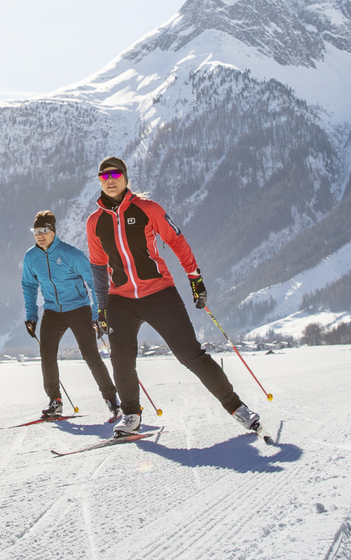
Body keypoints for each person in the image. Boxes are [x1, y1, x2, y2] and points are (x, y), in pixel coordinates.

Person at [85, 157, 262, 438]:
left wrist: (195, 278)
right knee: (121, 359)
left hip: (159, 293)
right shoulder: (94, 222)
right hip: (121, 299)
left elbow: (177, 240)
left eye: (116, 173)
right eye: (104, 175)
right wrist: (102, 309)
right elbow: (97, 267)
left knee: (190, 355)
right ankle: (131, 415)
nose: (110, 179)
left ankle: (237, 407)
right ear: (99, 180)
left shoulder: (148, 209)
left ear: (126, 178)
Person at [21, 210, 122, 421]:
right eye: (36, 231)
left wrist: (97, 314)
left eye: (44, 230)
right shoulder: (31, 257)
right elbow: (29, 286)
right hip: (52, 311)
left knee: (90, 355)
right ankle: (55, 401)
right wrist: (32, 316)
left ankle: (112, 400)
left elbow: (95, 283)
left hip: (79, 309)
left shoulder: (71, 254)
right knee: (46, 353)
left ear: (53, 231)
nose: (39, 235)